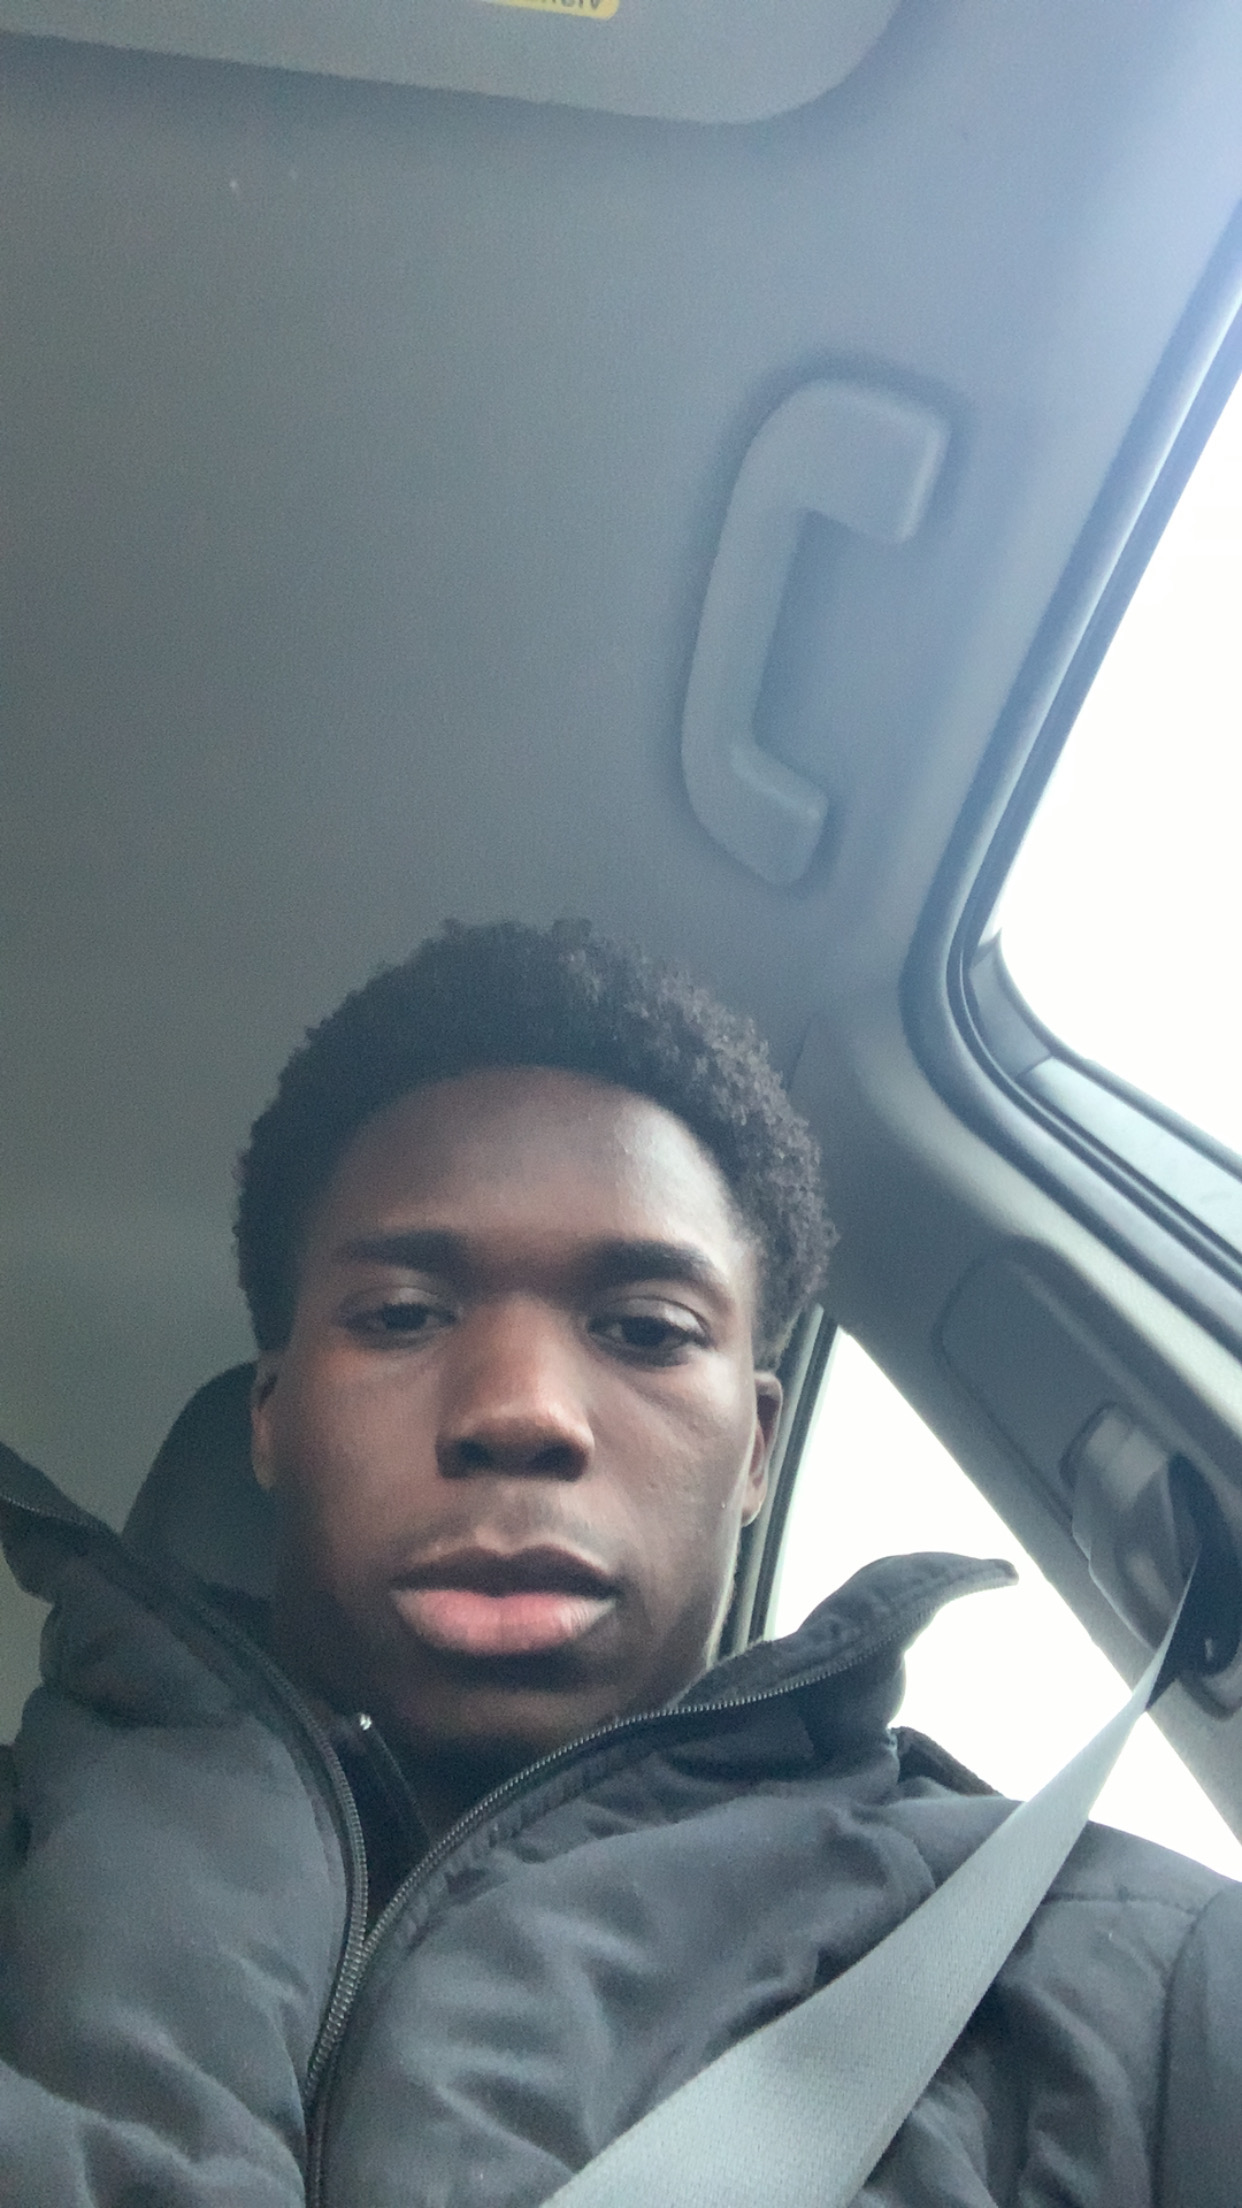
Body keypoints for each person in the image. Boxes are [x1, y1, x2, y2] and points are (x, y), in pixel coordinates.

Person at [0, 918, 1238, 2207]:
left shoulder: (1144, 2001)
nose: (521, 1411)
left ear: (758, 1451)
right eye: (405, 1316)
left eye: (647, 1330)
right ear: (271, 1416)